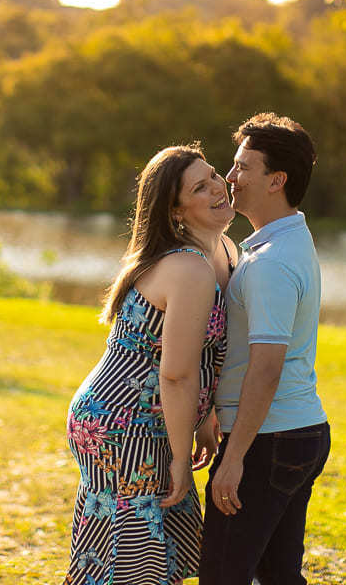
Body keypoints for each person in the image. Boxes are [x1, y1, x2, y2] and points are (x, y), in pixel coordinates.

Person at [65, 144, 238, 585]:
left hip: (159, 419)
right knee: (129, 564)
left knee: (157, 556)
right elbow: (176, 373)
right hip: (122, 423)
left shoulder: (226, 251)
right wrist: (181, 457)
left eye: (214, 175)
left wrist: (206, 417)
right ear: (176, 211)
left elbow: (209, 354)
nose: (219, 187)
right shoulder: (187, 267)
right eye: (201, 187)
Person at [200, 114, 330, 585]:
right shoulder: (282, 243)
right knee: (277, 576)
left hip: (270, 441)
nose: (230, 178)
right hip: (293, 432)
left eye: (242, 167)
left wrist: (234, 457)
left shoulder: (273, 262)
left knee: (221, 574)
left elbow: (267, 367)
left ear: (277, 180)